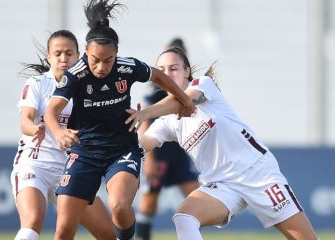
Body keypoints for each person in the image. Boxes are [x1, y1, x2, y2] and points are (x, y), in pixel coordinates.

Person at [126, 47, 318, 240]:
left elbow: (184, 102)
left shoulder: (204, 85)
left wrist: (145, 113)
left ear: (187, 71)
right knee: (185, 218)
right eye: (162, 70)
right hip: (221, 185)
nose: (167, 74)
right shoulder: (166, 123)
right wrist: (113, 147)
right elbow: (142, 144)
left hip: (257, 173)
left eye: (173, 68)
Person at [43, 1, 195, 240]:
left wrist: (184, 99)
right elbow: (51, 111)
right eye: (95, 59)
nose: (101, 67)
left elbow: (156, 75)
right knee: (63, 230)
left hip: (121, 150)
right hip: (84, 153)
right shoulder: (75, 75)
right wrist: (58, 132)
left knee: (120, 207)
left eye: (108, 60)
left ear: (117, 53)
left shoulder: (127, 67)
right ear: (85, 51)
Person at [11, 30, 115, 240]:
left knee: (109, 234)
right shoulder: (37, 84)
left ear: (79, 55)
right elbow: (25, 121)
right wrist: (36, 129)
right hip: (35, 164)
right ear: (49, 57)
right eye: (57, 53)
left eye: (69, 53)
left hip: (72, 169)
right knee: (32, 221)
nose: (63, 59)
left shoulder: (89, 87)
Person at [135, 39, 199, 240]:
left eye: (175, 66)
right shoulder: (156, 90)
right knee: (149, 200)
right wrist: (150, 158)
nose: (170, 71)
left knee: (196, 196)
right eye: (165, 67)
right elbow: (146, 122)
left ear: (186, 67)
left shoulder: (198, 87)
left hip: (179, 154)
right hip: (159, 152)